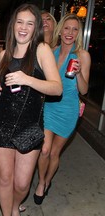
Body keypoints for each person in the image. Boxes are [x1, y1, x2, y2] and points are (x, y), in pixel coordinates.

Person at [0, 4, 62, 216]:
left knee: (21, 185)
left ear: (36, 27)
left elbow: (57, 88)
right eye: (19, 22)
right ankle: (8, 213)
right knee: (5, 179)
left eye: (29, 23)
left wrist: (27, 79)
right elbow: (1, 91)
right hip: (2, 125)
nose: (23, 27)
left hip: (30, 126)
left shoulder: (41, 50)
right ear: (13, 25)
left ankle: (13, 204)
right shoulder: (4, 55)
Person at [34, 13, 91, 205]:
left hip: (68, 109)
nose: (70, 33)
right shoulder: (52, 50)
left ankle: (48, 180)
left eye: (75, 29)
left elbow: (84, 89)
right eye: (67, 28)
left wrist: (78, 74)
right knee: (44, 150)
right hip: (49, 106)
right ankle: (41, 182)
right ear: (60, 30)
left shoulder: (82, 55)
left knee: (54, 153)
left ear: (78, 34)